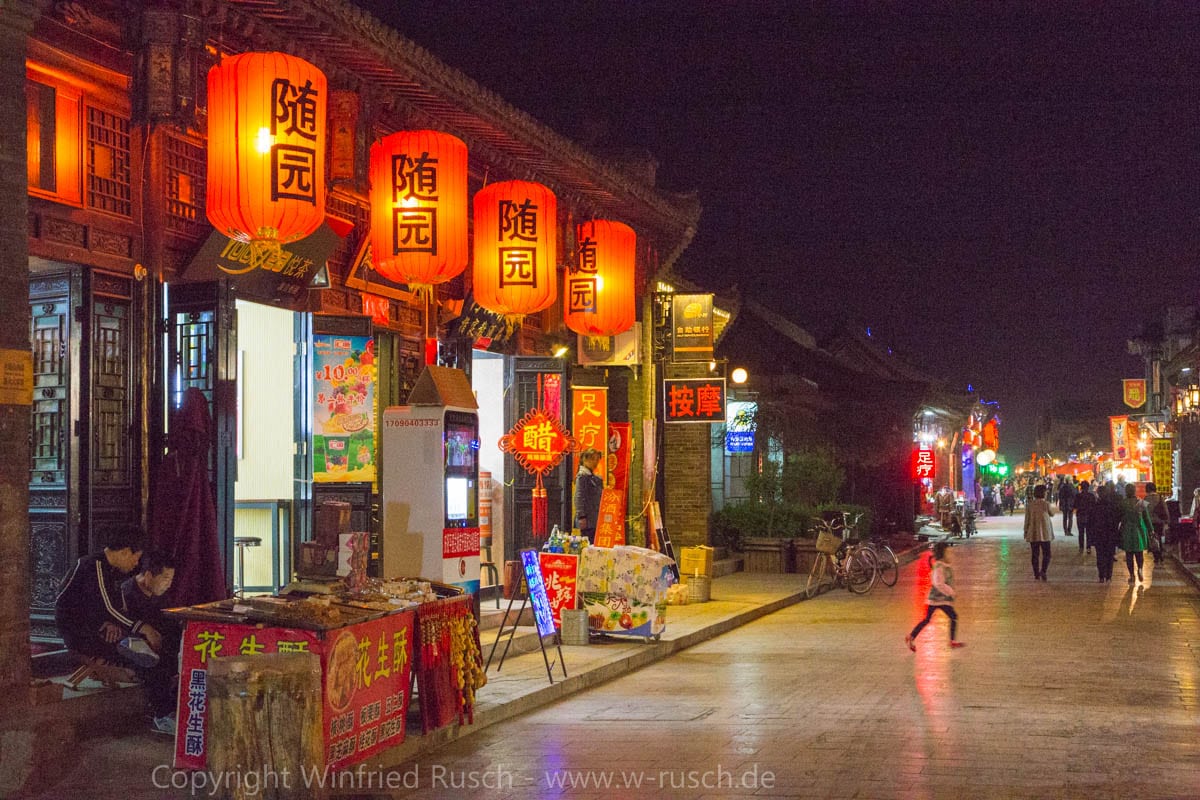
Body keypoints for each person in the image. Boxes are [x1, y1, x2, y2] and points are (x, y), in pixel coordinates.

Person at [55, 525, 162, 661]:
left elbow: (114, 608)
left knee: (141, 639)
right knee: (136, 646)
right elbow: (109, 608)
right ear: (125, 552)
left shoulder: (110, 569)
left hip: (95, 625)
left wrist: (111, 623)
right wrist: (145, 629)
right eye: (136, 558)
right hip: (76, 631)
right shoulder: (94, 566)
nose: (136, 563)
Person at [121, 551, 179, 735]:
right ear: (148, 575)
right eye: (165, 578)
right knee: (155, 663)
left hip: (158, 643)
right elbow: (123, 627)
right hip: (130, 646)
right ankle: (162, 716)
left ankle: (177, 710)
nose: (168, 584)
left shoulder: (158, 593)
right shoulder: (126, 593)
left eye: (171, 579)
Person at [905, 541, 964, 650]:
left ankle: (911, 636)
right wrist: (951, 592)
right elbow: (938, 583)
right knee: (952, 617)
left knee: (929, 619)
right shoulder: (939, 566)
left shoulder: (943, 565)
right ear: (942, 554)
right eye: (948, 553)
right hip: (938, 599)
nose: (950, 555)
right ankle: (951, 641)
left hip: (939, 599)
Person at [1119, 482, 1152, 584]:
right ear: (1135, 491)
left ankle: (1131, 575)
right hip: (1139, 530)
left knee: (1129, 554)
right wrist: (1151, 529)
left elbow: (1119, 517)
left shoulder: (1123, 503)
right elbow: (1147, 518)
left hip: (1127, 530)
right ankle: (1140, 569)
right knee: (1139, 553)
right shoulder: (1140, 502)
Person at [1023, 484, 1057, 580]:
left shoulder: (1030, 505)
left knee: (1035, 554)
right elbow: (1052, 513)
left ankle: (1036, 573)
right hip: (1045, 532)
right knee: (1047, 553)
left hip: (1033, 532)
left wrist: (1025, 531)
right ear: (1043, 493)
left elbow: (1027, 519)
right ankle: (1043, 571)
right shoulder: (1046, 504)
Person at [1092, 484, 1122, 583]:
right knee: (1109, 555)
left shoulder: (1095, 506)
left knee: (1100, 555)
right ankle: (1109, 576)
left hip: (1099, 534)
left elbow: (1091, 522)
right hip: (1111, 534)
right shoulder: (1113, 506)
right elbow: (1117, 519)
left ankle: (1101, 576)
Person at [573, 448, 604, 542]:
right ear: (585, 460)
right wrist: (581, 517)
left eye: (597, 459)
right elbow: (579, 497)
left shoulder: (593, 477)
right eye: (593, 459)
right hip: (587, 520)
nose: (596, 462)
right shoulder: (582, 477)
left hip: (594, 519)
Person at [1142, 482, 1169, 559]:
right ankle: (1160, 553)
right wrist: (1167, 520)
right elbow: (1165, 509)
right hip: (1159, 521)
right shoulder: (1160, 497)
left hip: (1150, 522)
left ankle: (1156, 555)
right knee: (1159, 537)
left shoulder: (1146, 499)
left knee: (1153, 538)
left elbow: (1139, 510)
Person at [1074, 480, 1097, 554]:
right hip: (1089, 516)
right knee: (1088, 532)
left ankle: (1081, 547)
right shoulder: (1091, 496)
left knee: (1081, 532)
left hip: (1080, 515)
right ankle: (1088, 547)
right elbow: (1094, 506)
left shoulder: (1078, 496)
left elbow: (1075, 505)